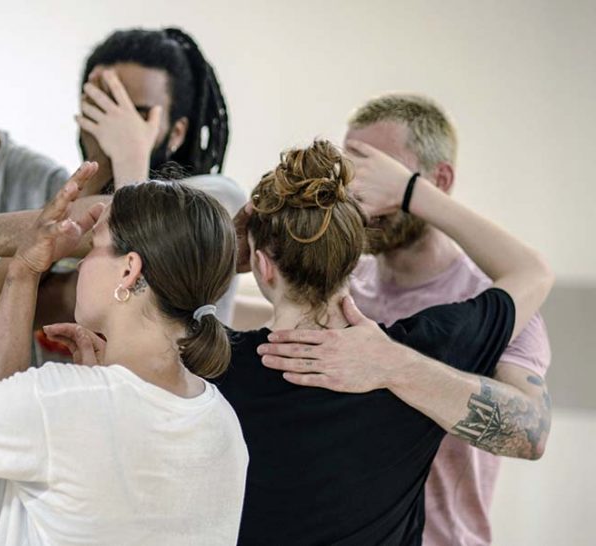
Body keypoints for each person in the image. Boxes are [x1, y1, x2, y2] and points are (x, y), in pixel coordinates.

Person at [0, 171, 249, 545]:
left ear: (129, 270)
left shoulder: (60, 402)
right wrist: (24, 271)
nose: (81, 264)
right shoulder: (223, 423)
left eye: (94, 246)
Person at [218, 140, 553, 544]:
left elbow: (147, 304)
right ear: (352, 258)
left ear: (261, 265)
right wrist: (411, 191)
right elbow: (531, 272)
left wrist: (223, 251)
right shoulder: (425, 349)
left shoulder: (214, 361)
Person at [0, 27, 246, 324]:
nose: (117, 122)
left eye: (137, 112)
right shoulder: (48, 188)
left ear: (177, 131)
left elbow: (147, 226)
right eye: (105, 103)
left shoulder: (214, 199)